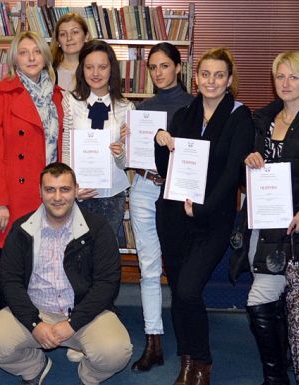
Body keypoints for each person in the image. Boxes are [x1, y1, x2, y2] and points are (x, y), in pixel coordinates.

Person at [0, 162, 132, 385]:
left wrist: (72, 324)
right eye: (50, 189)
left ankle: (88, 375)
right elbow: (10, 282)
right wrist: (33, 324)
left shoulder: (97, 228)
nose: (57, 197)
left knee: (116, 353)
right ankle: (34, 366)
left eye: (65, 189)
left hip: (84, 315)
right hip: (35, 312)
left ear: (76, 190)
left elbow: (107, 283)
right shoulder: (22, 229)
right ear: (40, 192)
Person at [154, 47, 254, 385]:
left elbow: (231, 174)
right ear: (195, 78)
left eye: (219, 75)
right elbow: (166, 168)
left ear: (229, 80)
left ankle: (204, 362)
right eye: (205, 74)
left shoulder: (240, 116)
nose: (211, 81)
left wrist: (203, 206)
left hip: (211, 219)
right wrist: (160, 141)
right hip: (174, 218)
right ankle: (187, 360)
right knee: (178, 291)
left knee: (188, 289)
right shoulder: (183, 114)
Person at [230, 51, 299, 385]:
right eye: (280, 77)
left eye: (293, 77)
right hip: (260, 222)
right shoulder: (263, 121)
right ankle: (281, 370)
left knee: (259, 296)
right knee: (276, 299)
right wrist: (251, 161)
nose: (286, 84)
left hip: (293, 226)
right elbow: (246, 178)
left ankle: (275, 378)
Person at [126, 42, 193, 372]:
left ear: (178, 68)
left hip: (176, 192)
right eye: (153, 67)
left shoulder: (194, 107)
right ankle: (153, 341)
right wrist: (122, 146)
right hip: (143, 188)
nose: (158, 72)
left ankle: (189, 343)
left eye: (165, 66)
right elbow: (136, 155)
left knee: (181, 268)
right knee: (149, 267)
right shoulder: (143, 109)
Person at [0, 31, 64, 249]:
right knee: (16, 265)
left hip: (52, 191)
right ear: (15, 59)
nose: (32, 58)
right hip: (15, 195)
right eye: (24, 53)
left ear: (45, 57)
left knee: (49, 261)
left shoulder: (58, 96)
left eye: (37, 52)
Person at [61, 40, 134, 234]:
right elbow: (66, 149)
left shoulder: (126, 107)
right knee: (77, 252)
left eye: (102, 67)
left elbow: (125, 163)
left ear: (112, 69)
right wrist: (71, 189)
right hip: (79, 193)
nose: (96, 73)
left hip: (113, 195)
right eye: (89, 67)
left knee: (105, 255)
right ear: (81, 69)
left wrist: (121, 153)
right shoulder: (70, 101)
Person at [49, 13, 89, 92]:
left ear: (86, 36)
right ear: (58, 41)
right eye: (63, 34)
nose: (69, 38)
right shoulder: (48, 72)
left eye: (75, 32)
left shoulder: (96, 71)